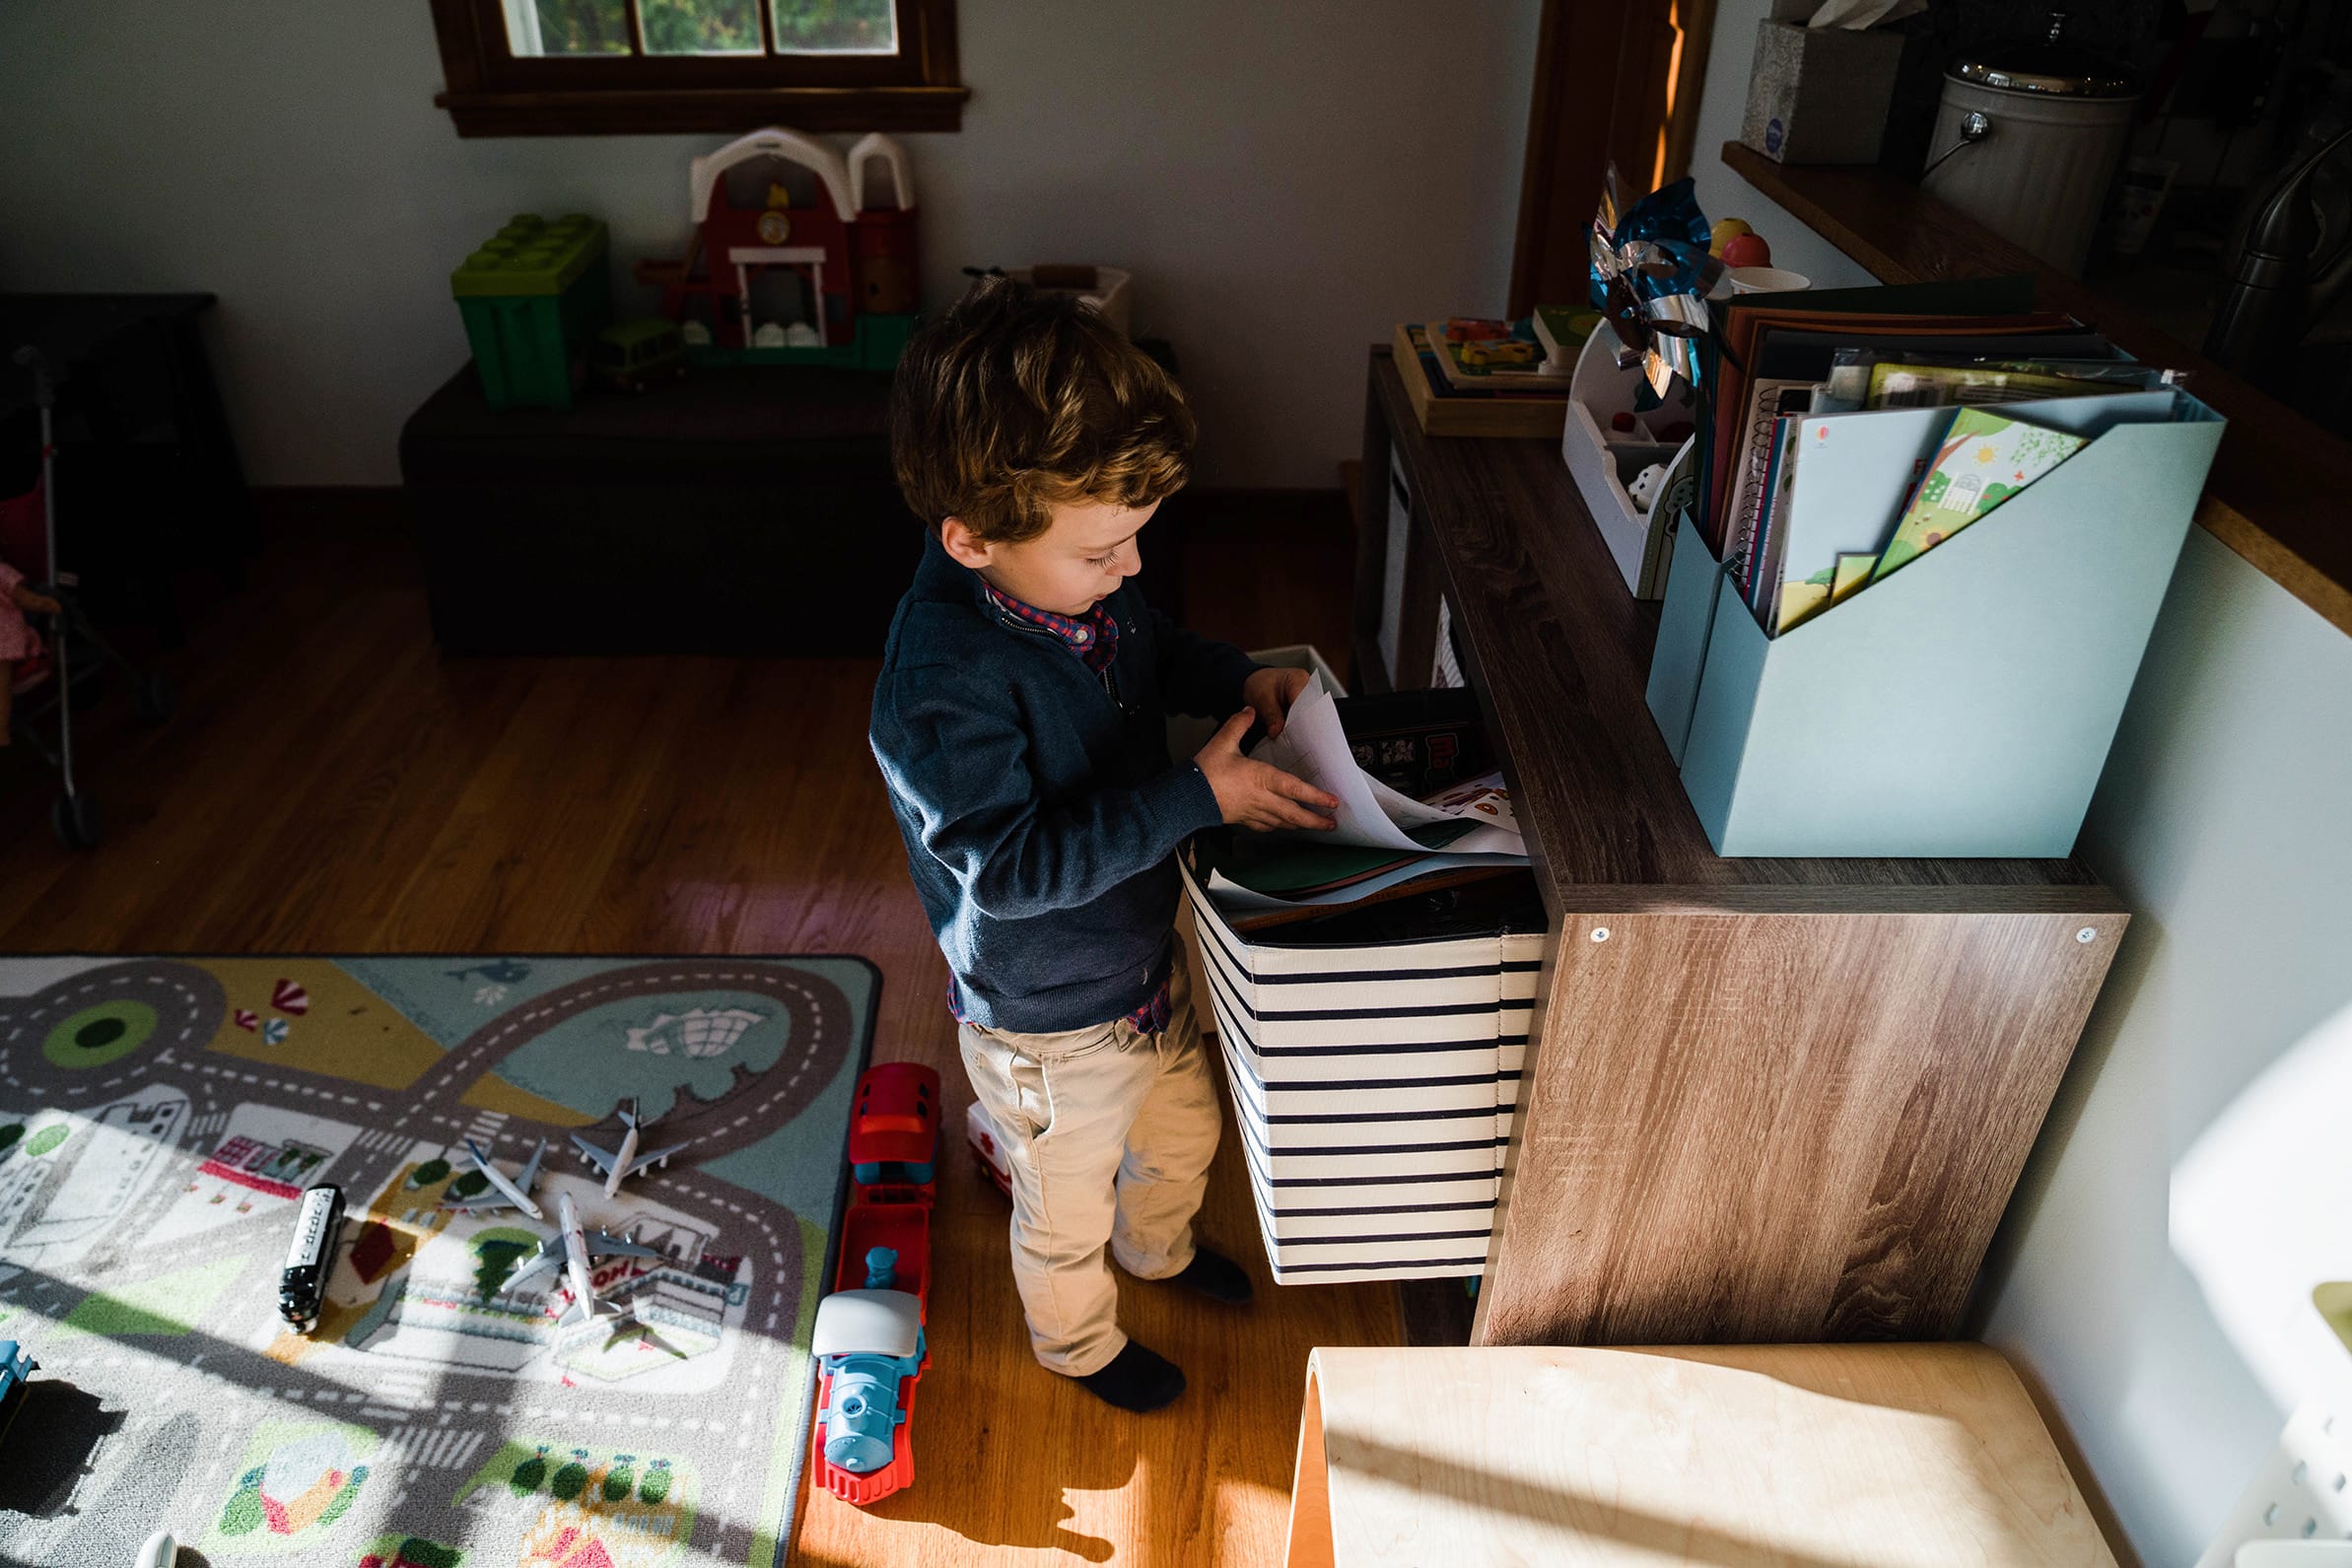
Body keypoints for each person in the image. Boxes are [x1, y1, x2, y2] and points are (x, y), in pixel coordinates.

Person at [868, 280, 1339, 1411]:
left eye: (1137, 539)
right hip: (1044, 1021)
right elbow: (1014, 871)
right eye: (1104, 551)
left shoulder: (1069, 574)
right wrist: (1195, 794)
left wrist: (1233, 676)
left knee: (1183, 1136)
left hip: (1138, 961)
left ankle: (1160, 1252)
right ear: (971, 538)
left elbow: (1147, 640)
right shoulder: (941, 684)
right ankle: (1075, 1342)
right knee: (1062, 1205)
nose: (1127, 570)